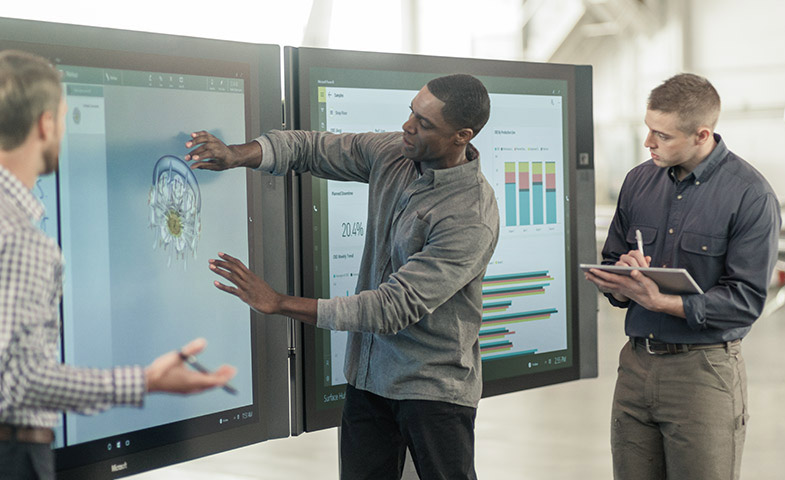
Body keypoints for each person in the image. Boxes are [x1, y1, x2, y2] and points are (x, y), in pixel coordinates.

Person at [190, 74, 499, 480]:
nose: (407, 126)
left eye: (424, 124)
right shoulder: (394, 153)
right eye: (411, 112)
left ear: (462, 136)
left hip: (433, 390)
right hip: (369, 379)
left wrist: (279, 302)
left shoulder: (470, 216)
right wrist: (237, 154)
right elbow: (310, 147)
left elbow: (392, 308)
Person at [0, 50, 237, 480]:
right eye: (64, 119)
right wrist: (145, 381)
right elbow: (19, 380)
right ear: (45, 124)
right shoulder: (19, 238)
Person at [585, 73, 780, 480]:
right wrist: (622, 279)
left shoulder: (750, 195)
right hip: (635, 365)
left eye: (662, 135)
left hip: (703, 372)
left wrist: (663, 302)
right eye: (648, 129)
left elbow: (746, 300)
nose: (648, 143)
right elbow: (613, 258)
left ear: (701, 135)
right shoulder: (638, 182)